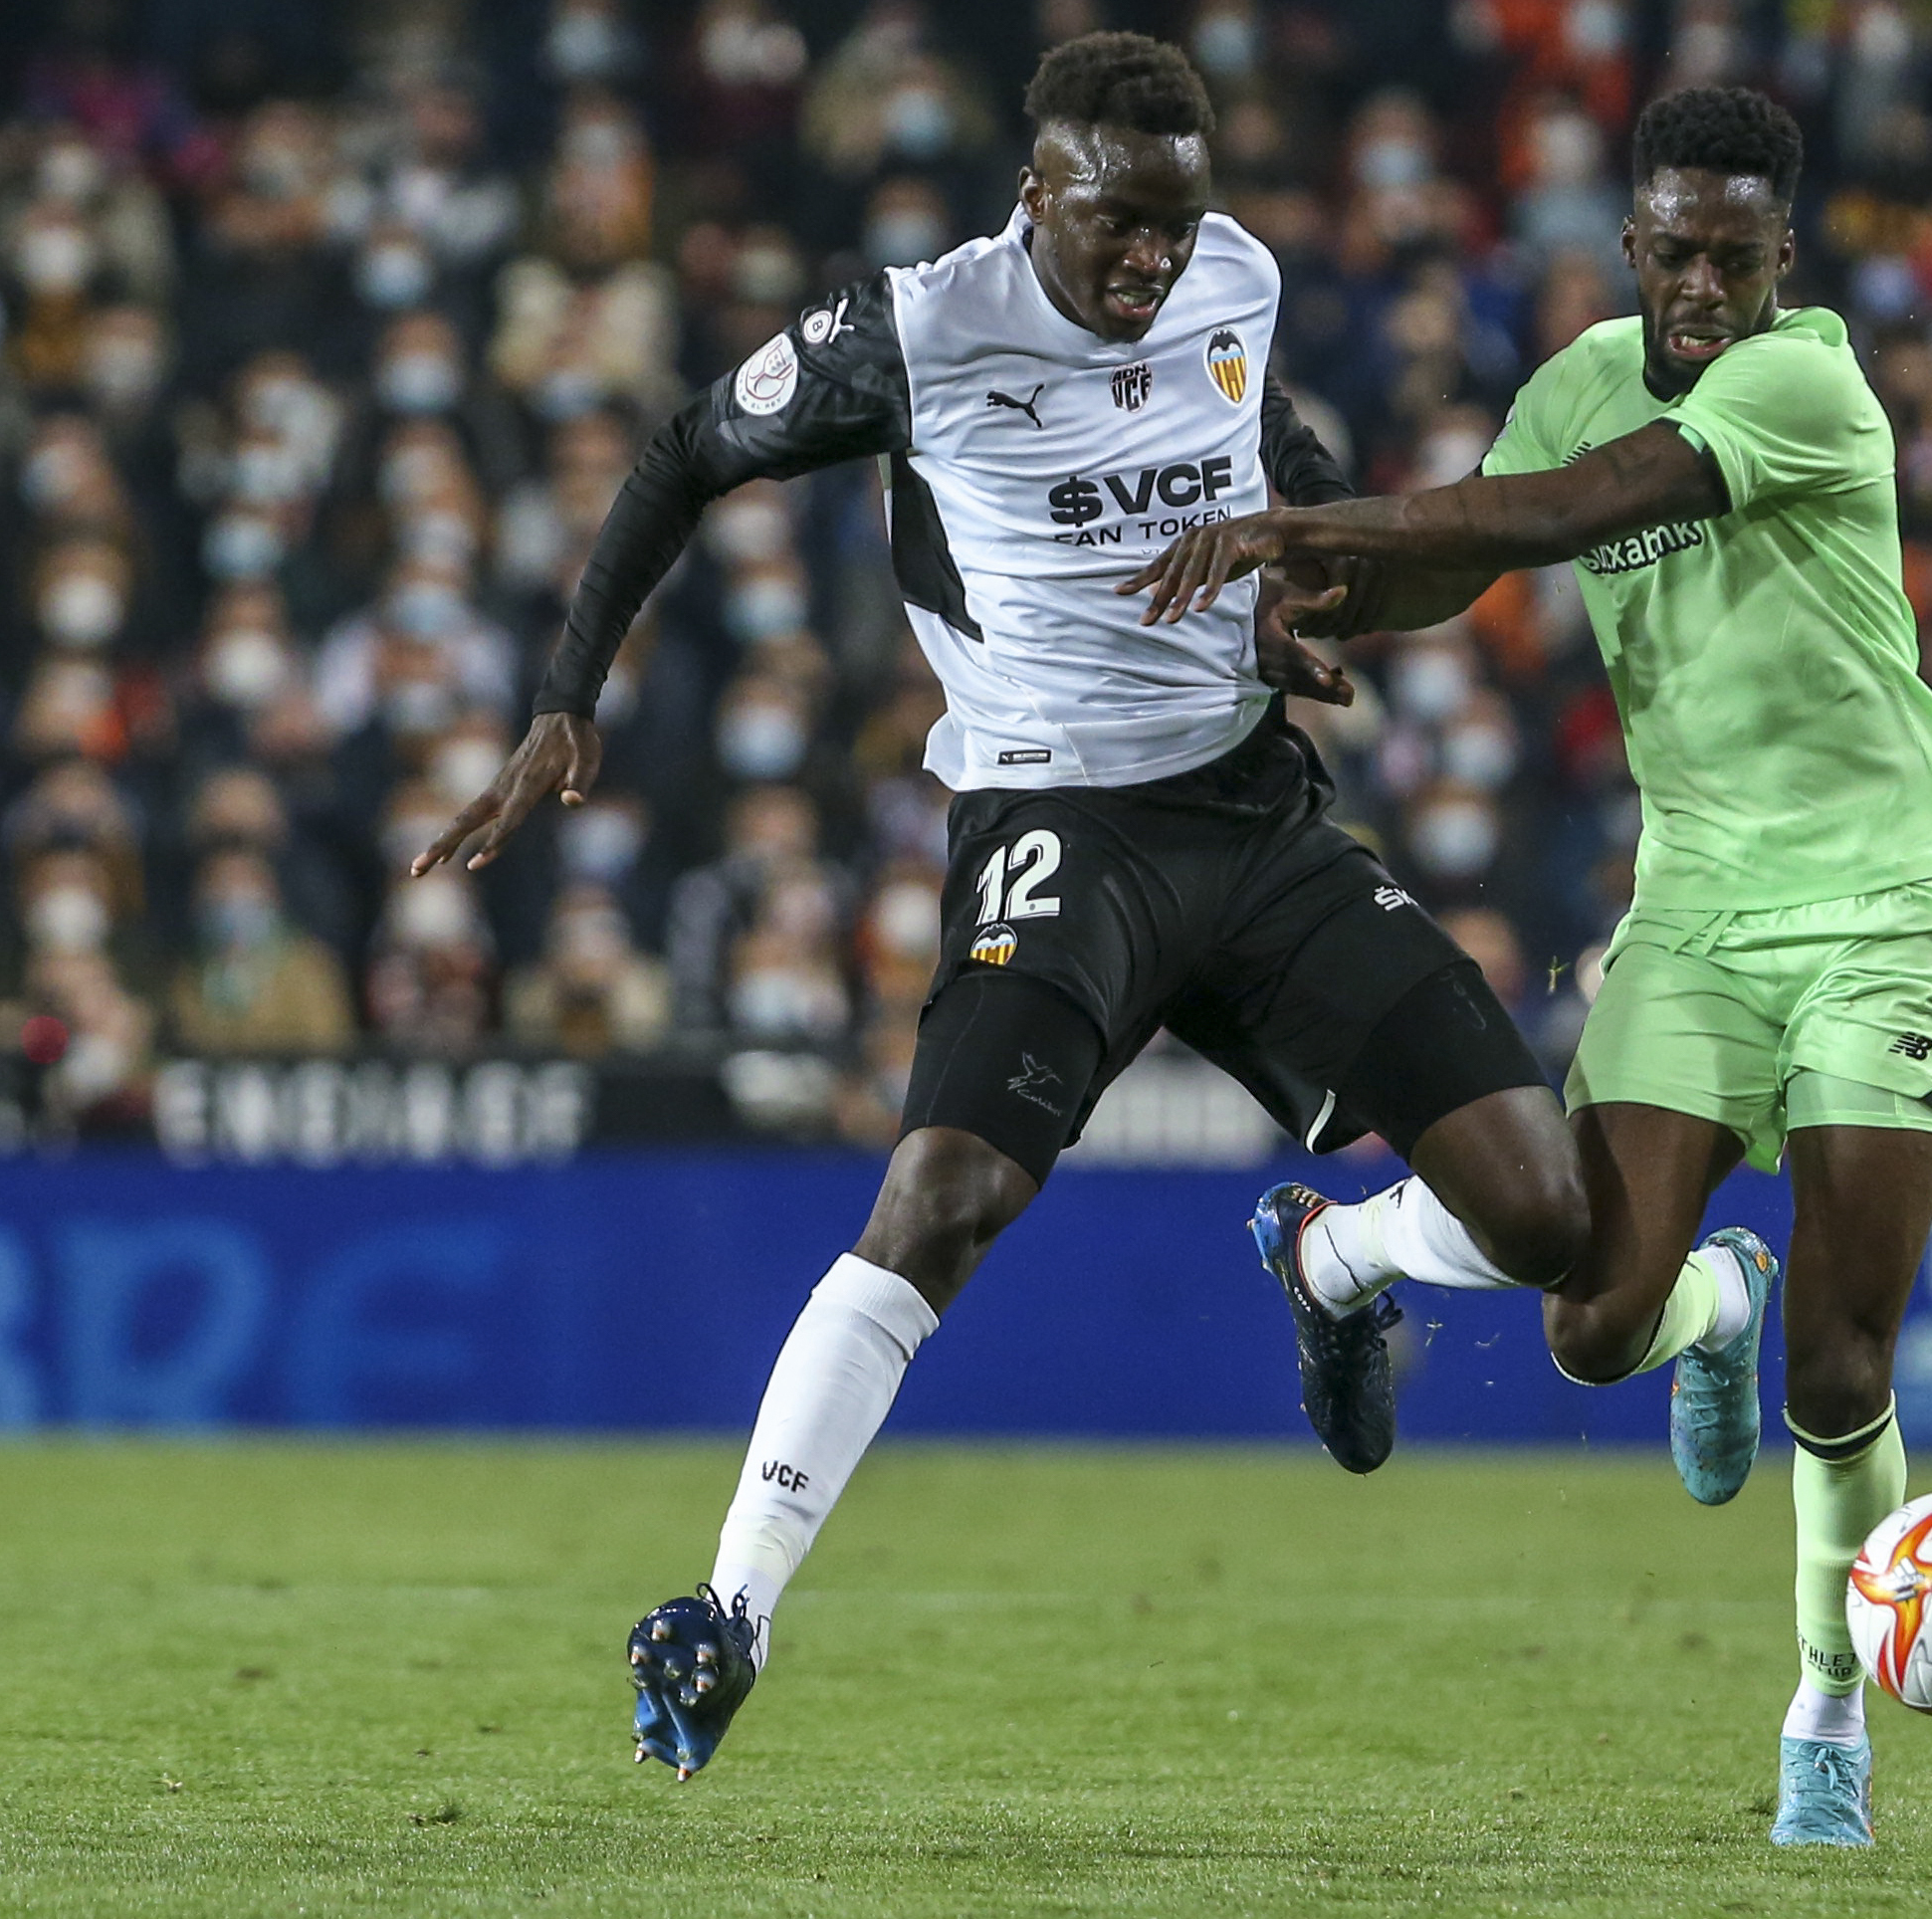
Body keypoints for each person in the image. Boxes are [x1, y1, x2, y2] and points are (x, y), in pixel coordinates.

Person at [411, 34, 1587, 1781]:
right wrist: (566, 695)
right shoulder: (918, 327)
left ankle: (1337, 1263)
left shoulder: (1235, 275)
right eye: (1118, 226)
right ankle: (729, 1607)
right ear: (1036, 194)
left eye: (1176, 227)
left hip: (1256, 818)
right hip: (1059, 824)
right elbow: (677, 456)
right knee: (944, 1194)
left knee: (1549, 1219)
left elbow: (1276, 438)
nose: (1152, 263)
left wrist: (1293, 579)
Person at [1125, 87, 1932, 1848]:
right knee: (1595, 1325)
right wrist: (1323, 613)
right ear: (1631, 243)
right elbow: (1465, 558)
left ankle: (1827, 1703)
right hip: (1695, 907)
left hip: (1887, 904)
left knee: (1842, 1371)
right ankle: (1710, 1304)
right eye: (1672, 252)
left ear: (1785, 260)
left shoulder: (1807, 385)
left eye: (1732, 259)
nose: (1699, 286)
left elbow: (1567, 514)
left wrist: (1308, 531)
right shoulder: (1584, 375)